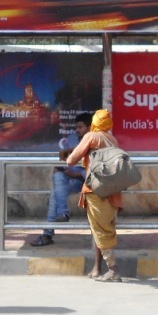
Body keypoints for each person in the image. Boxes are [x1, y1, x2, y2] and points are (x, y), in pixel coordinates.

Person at [66, 109, 124, 282]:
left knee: (100, 229)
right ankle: (98, 269)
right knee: (105, 227)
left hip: (96, 190)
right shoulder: (112, 139)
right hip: (113, 190)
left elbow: (71, 160)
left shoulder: (91, 137)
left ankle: (113, 270)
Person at [31, 113, 92, 247]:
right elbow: (62, 158)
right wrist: (60, 168)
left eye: (80, 127)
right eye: (76, 127)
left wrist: (76, 174)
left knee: (55, 194)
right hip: (69, 176)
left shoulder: (95, 141)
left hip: (85, 181)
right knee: (57, 176)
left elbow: (92, 171)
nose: (77, 130)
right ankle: (62, 214)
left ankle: (49, 233)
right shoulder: (71, 139)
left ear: (89, 127)